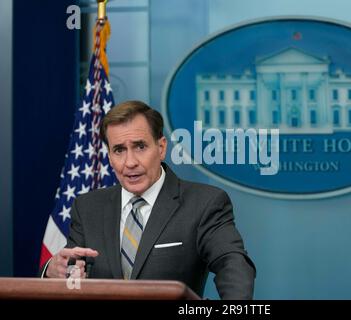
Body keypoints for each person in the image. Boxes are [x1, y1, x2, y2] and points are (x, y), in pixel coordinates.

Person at [41, 100, 256, 299]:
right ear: (109, 157)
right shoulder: (88, 207)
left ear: (161, 148)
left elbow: (232, 263)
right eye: (119, 150)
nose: (130, 162)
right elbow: (72, 277)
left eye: (140, 147)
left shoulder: (204, 203)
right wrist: (54, 272)